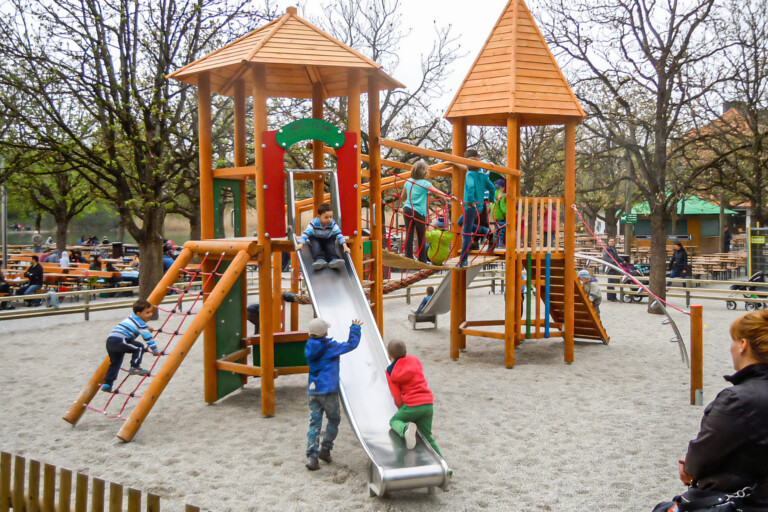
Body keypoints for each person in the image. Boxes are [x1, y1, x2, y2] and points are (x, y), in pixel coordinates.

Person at [652, 310, 768, 512]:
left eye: (733, 340)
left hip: (744, 501)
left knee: (663, 509)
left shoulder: (737, 400)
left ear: (743, 345)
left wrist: (689, 465)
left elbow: (698, 462)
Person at [304, 317, 363, 470]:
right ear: (325, 333)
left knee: (314, 423)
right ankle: (325, 449)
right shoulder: (330, 346)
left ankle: (312, 457)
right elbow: (351, 344)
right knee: (334, 419)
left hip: (313, 390)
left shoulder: (309, 346)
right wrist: (355, 328)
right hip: (328, 391)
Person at [385, 339, 443, 457]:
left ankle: (405, 429)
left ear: (389, 356)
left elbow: (396, 396)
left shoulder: (390, 371)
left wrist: (402, 409)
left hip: (412, 405)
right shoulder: (415, 360)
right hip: (428, 403)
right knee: (427, 437)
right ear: (406, 352)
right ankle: (443, 464)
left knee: (394, 421)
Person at [101, 299, 160, 393]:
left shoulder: (132, 318)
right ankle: (135, 367)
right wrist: (155, 350)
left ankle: (107, 384)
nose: (150, 314)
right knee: (139, 347)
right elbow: (147, 337)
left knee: (115, 363)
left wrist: (146, 327)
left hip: (110, 341)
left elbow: (137, 326)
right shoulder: (140, 324)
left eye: (151, 312)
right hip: (120, 340)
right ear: (139, 314)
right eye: (147, 312)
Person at [400, 160, 451, 263]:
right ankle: (422, 259)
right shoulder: (425, 183)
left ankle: (408, 257)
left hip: (407, 209)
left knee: (409, 233)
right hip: (418, 212)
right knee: (421, 235)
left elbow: (402, 197)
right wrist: (447, 197)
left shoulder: (408, 181)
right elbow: (436, 191)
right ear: (424, 172)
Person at [454, 149, 496, 267]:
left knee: (466, 232)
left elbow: (471, 187)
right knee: (460, 222)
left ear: (467, 166)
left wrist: (470, 201)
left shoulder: (469, 174)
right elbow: (492, 188)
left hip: (471, 207)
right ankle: (485, 231)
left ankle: (463, 260)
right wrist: (491, 199)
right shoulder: (482, 176)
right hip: (480, 206)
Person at [295, 203, 350, 272]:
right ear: (319, 216)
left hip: (327, 238)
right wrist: (301, 244)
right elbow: (306, 233)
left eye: (331, 217)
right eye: (326, 217)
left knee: (330, 245)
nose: (329, 219)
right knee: (316, 246)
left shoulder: (332, 224)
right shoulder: (314, 223)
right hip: (316, 238)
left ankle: (333, 259)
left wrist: (345, 246)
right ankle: (319, 259)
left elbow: (339, 235)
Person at [602, 238, 621, 302]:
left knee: (611, 281)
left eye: (613, 241)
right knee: (611, 282)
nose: (612, 242)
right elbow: (606, 258)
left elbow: (616, 257)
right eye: (610, 241)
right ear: (608, 242)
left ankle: (609, 296)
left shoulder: (614, 249)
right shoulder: (606, 249)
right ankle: (613, 297)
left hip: (614, 267)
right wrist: (614, 262)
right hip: (610, 267)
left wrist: (622, 260)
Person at [491, 179, 507, 249]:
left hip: (494, 215)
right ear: (502, 187)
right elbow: (503, 207)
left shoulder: (493, 194)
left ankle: (496, 244)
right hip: (500, 216)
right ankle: (500, 244)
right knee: (501, 230)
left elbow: (492, 204)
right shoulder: (502, 195)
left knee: (496, 229)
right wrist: (507, 213)